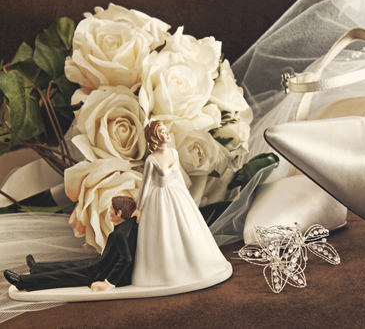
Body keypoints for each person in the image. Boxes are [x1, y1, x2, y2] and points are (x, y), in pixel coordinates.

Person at [132, 120, 231, 287]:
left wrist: (187, 197)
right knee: (165, 233)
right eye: (162, 132)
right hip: (160, 199)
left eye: (165, 130)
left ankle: (196, 265)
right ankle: (168, 272)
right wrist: (139, 208)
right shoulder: (151, 160)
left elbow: (178, 176)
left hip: (177, 193)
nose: (167, 134)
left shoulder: (174, 153)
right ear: (155, 137)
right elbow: (145, 186)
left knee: (188, 228)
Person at [3, 196, 138, 292]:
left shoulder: (120, 233)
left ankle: (22, 282)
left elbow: (126, 259)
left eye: (111, 208)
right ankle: (37, 268)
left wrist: (108, 283)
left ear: (119, 213)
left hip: (100, 272)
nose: (108, 210)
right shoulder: (129, 224)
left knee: (64, 275)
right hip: (100, 264)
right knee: (70, 265)